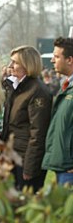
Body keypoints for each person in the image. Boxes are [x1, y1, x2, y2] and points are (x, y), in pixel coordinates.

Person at [0, 45, 52, 193]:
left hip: (24, 161)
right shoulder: (15, 88)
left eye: (15, 62)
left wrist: (30, 168)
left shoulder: (37, 91)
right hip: (11, 157)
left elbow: (38, 133)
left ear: (27, 65)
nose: (10, 66)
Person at [42, 37, 73, 185]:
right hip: (63, 165)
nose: (53, 61)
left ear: (70, 60)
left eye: (56, 56)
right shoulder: (66, 85)